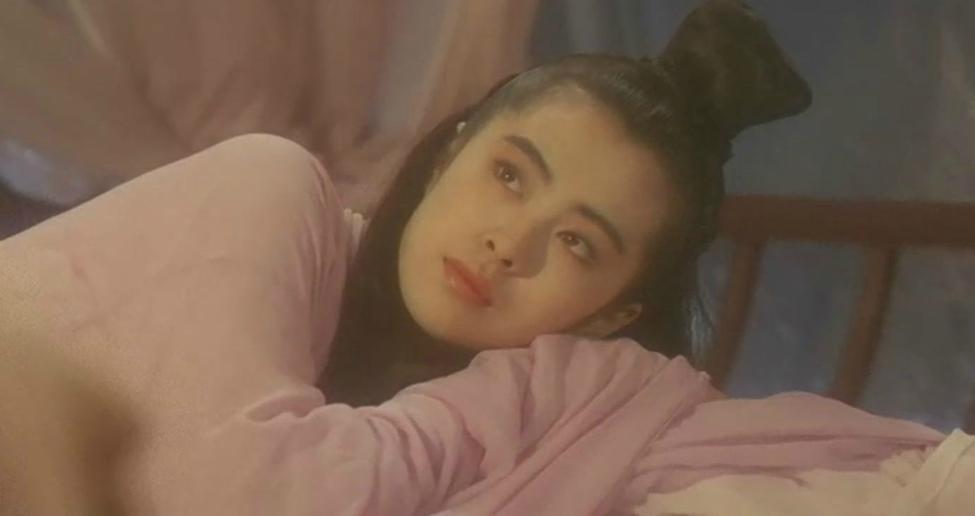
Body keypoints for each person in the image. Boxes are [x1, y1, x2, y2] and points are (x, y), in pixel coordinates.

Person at [322, 0, 811, 405]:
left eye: (576, 242)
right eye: (510, 176)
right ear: (449, 154)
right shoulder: (304, 244)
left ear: (610, 316)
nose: (509, 246)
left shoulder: (581, 448)